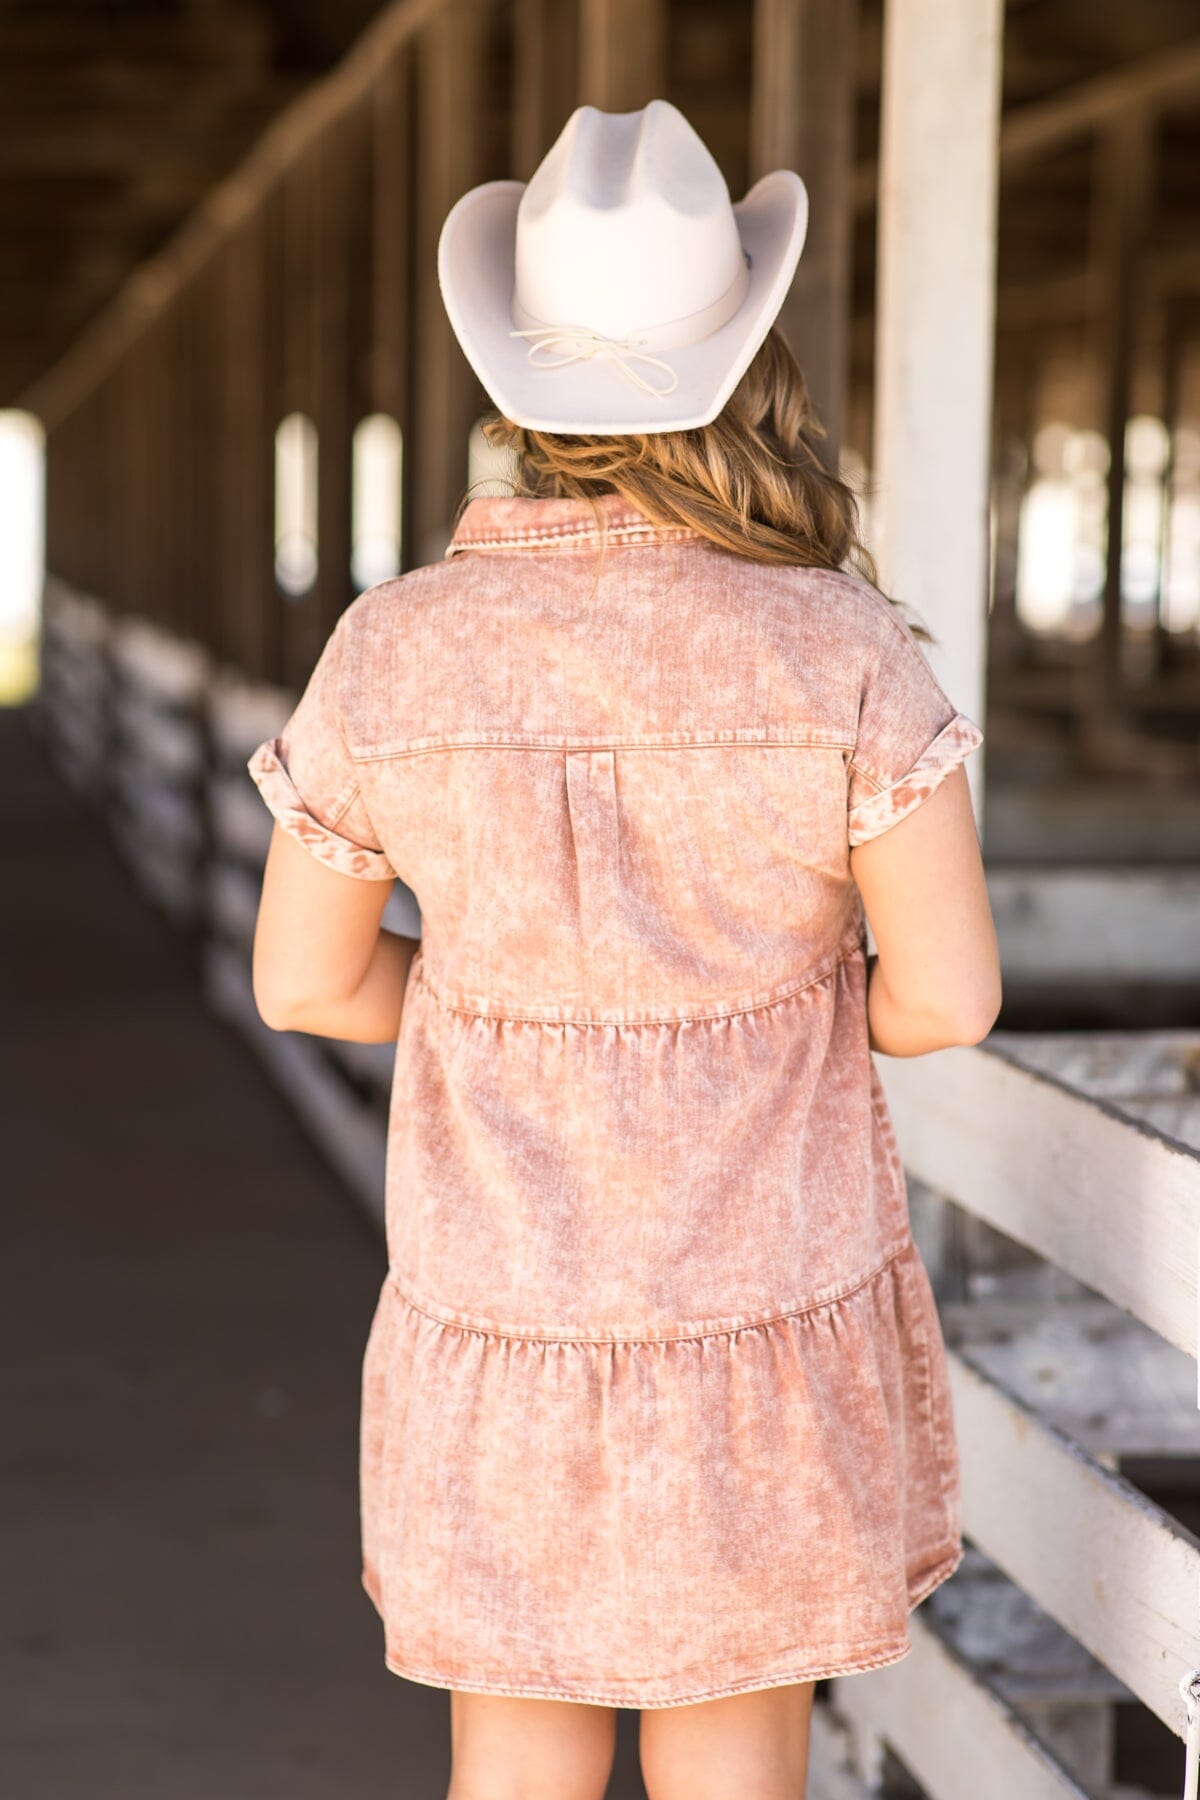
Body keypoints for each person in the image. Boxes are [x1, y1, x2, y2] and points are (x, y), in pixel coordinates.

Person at [246, 98, 1001, 1800]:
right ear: (742, 360)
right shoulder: (841, 646)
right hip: (758, 1331)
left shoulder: (397, 648)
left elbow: (302, 979)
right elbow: (949, 995)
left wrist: (487, 1001)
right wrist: (767, 1014)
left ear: (516, 376)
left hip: (498, 1328)